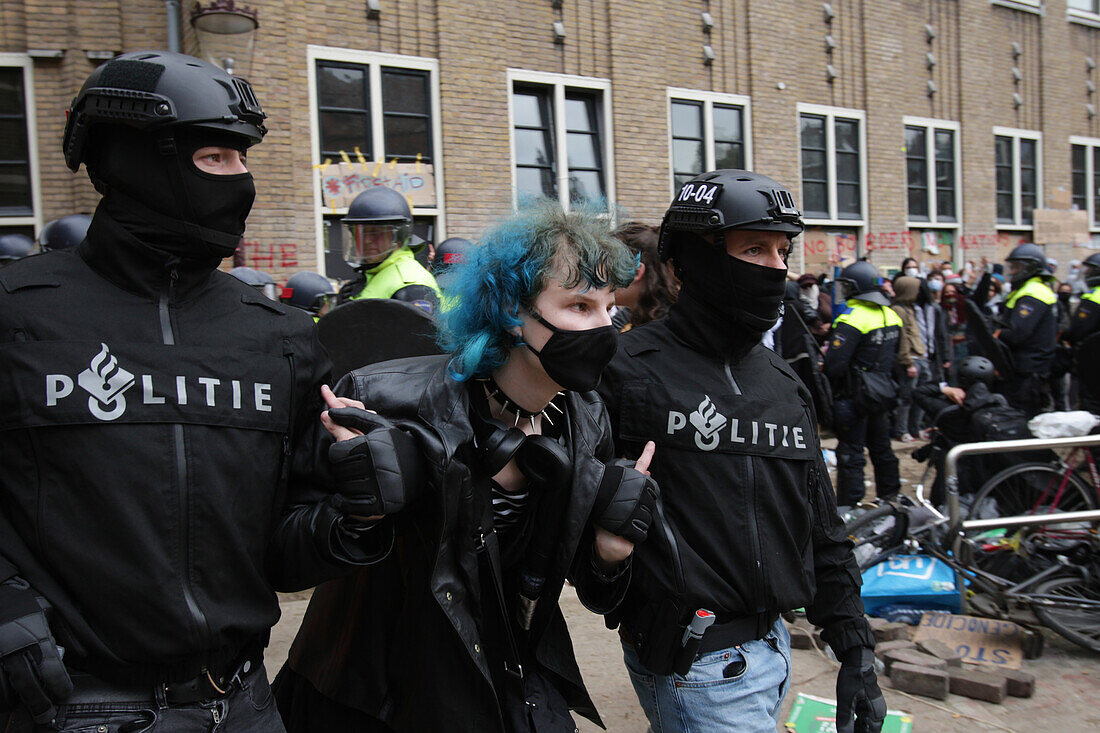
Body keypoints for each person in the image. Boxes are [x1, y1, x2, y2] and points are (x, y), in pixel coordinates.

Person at [0, 51, 387, 732]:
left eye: (245, 159)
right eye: (216, 157)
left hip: (242, 703)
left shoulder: (280, 337)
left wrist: (356, 512)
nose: (241, 180)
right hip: (75, 707)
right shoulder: (19, 316)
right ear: (132, 161)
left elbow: (282, 548)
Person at [273, 200, 660, 733]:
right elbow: (284, 556)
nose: (605, 328)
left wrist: (608, 555)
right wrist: (356, 514)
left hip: (508, 686)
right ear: (508, 309)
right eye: (579, 307)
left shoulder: (584, 417)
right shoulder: (380, 398)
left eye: (609, 308)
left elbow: (580, 585)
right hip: (375, 694)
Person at [597, 170, 884, 733]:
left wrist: (856, 649)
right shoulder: (625, 372)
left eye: (783, 249)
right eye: (754, 248)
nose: (777, 267)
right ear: (685, 265)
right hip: (696, 665)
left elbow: (822, 529)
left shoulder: (783, 383)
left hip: (773, 651)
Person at [825, 260, 903, 508]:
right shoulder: (892, 315)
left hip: (853, 397)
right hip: (881, 395)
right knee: (883, 450)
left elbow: (834, 366)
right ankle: (891, 499)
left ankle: (850, 507)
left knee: (851, 454)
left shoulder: (852, 318)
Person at [335, 187, 441, 314]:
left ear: (399, 237)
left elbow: (419, 332)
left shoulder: (411, 285)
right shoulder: (373, 274)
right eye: (360, 233)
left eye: (376, 233)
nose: (367, 240)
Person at [993, 243, 1057, 417]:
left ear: (1031, 268)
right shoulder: (1025, 291)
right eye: (1011, 267)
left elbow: (1017, 334)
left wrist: (996, 335)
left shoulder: (1033, 293)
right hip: (1021, 369)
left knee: (1022, 419)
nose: (1012, 271)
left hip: (1028, 371)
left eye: (1017, 267)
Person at [609, 222, 679, 331]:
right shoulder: (638, 313)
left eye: (609, 267)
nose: (600, 277)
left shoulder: (667, 327)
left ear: (636, 272)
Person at [891, 275, 928, 443]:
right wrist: (907, 362)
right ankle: (902, 429)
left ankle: (916, 427)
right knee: (906, 398)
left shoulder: (909, 308)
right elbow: (903, 337)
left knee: (920, 397)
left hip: (920, 356)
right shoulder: (898, 310)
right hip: (911, 359)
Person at [1066, 251, 1100, 412]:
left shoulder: (1094, 297)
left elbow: (1077, 329)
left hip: (1091, 360)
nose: (1086, 274)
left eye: (1090, 271)